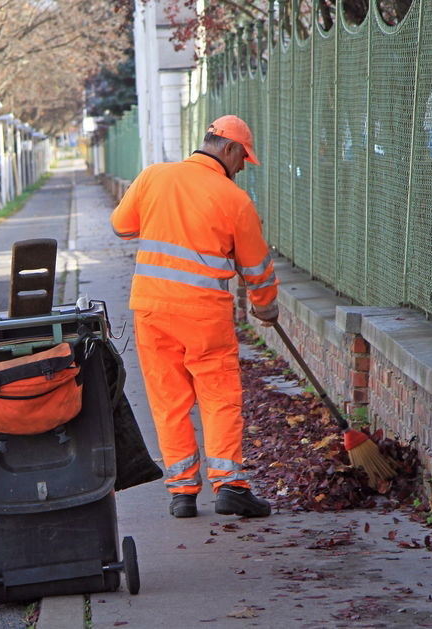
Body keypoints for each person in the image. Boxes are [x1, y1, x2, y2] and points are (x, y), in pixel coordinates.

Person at [110, 115, 279, 519]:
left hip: (152, 310)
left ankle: (182, 492)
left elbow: (121, 226)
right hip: (204, 315)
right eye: (243, 158)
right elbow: (255, 268)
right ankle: (230, 486)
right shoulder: (234, 199)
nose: (242, 168)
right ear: (229, 149)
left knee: (168, 401)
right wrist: (265, 305)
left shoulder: (153, 176)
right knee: (219, 397)